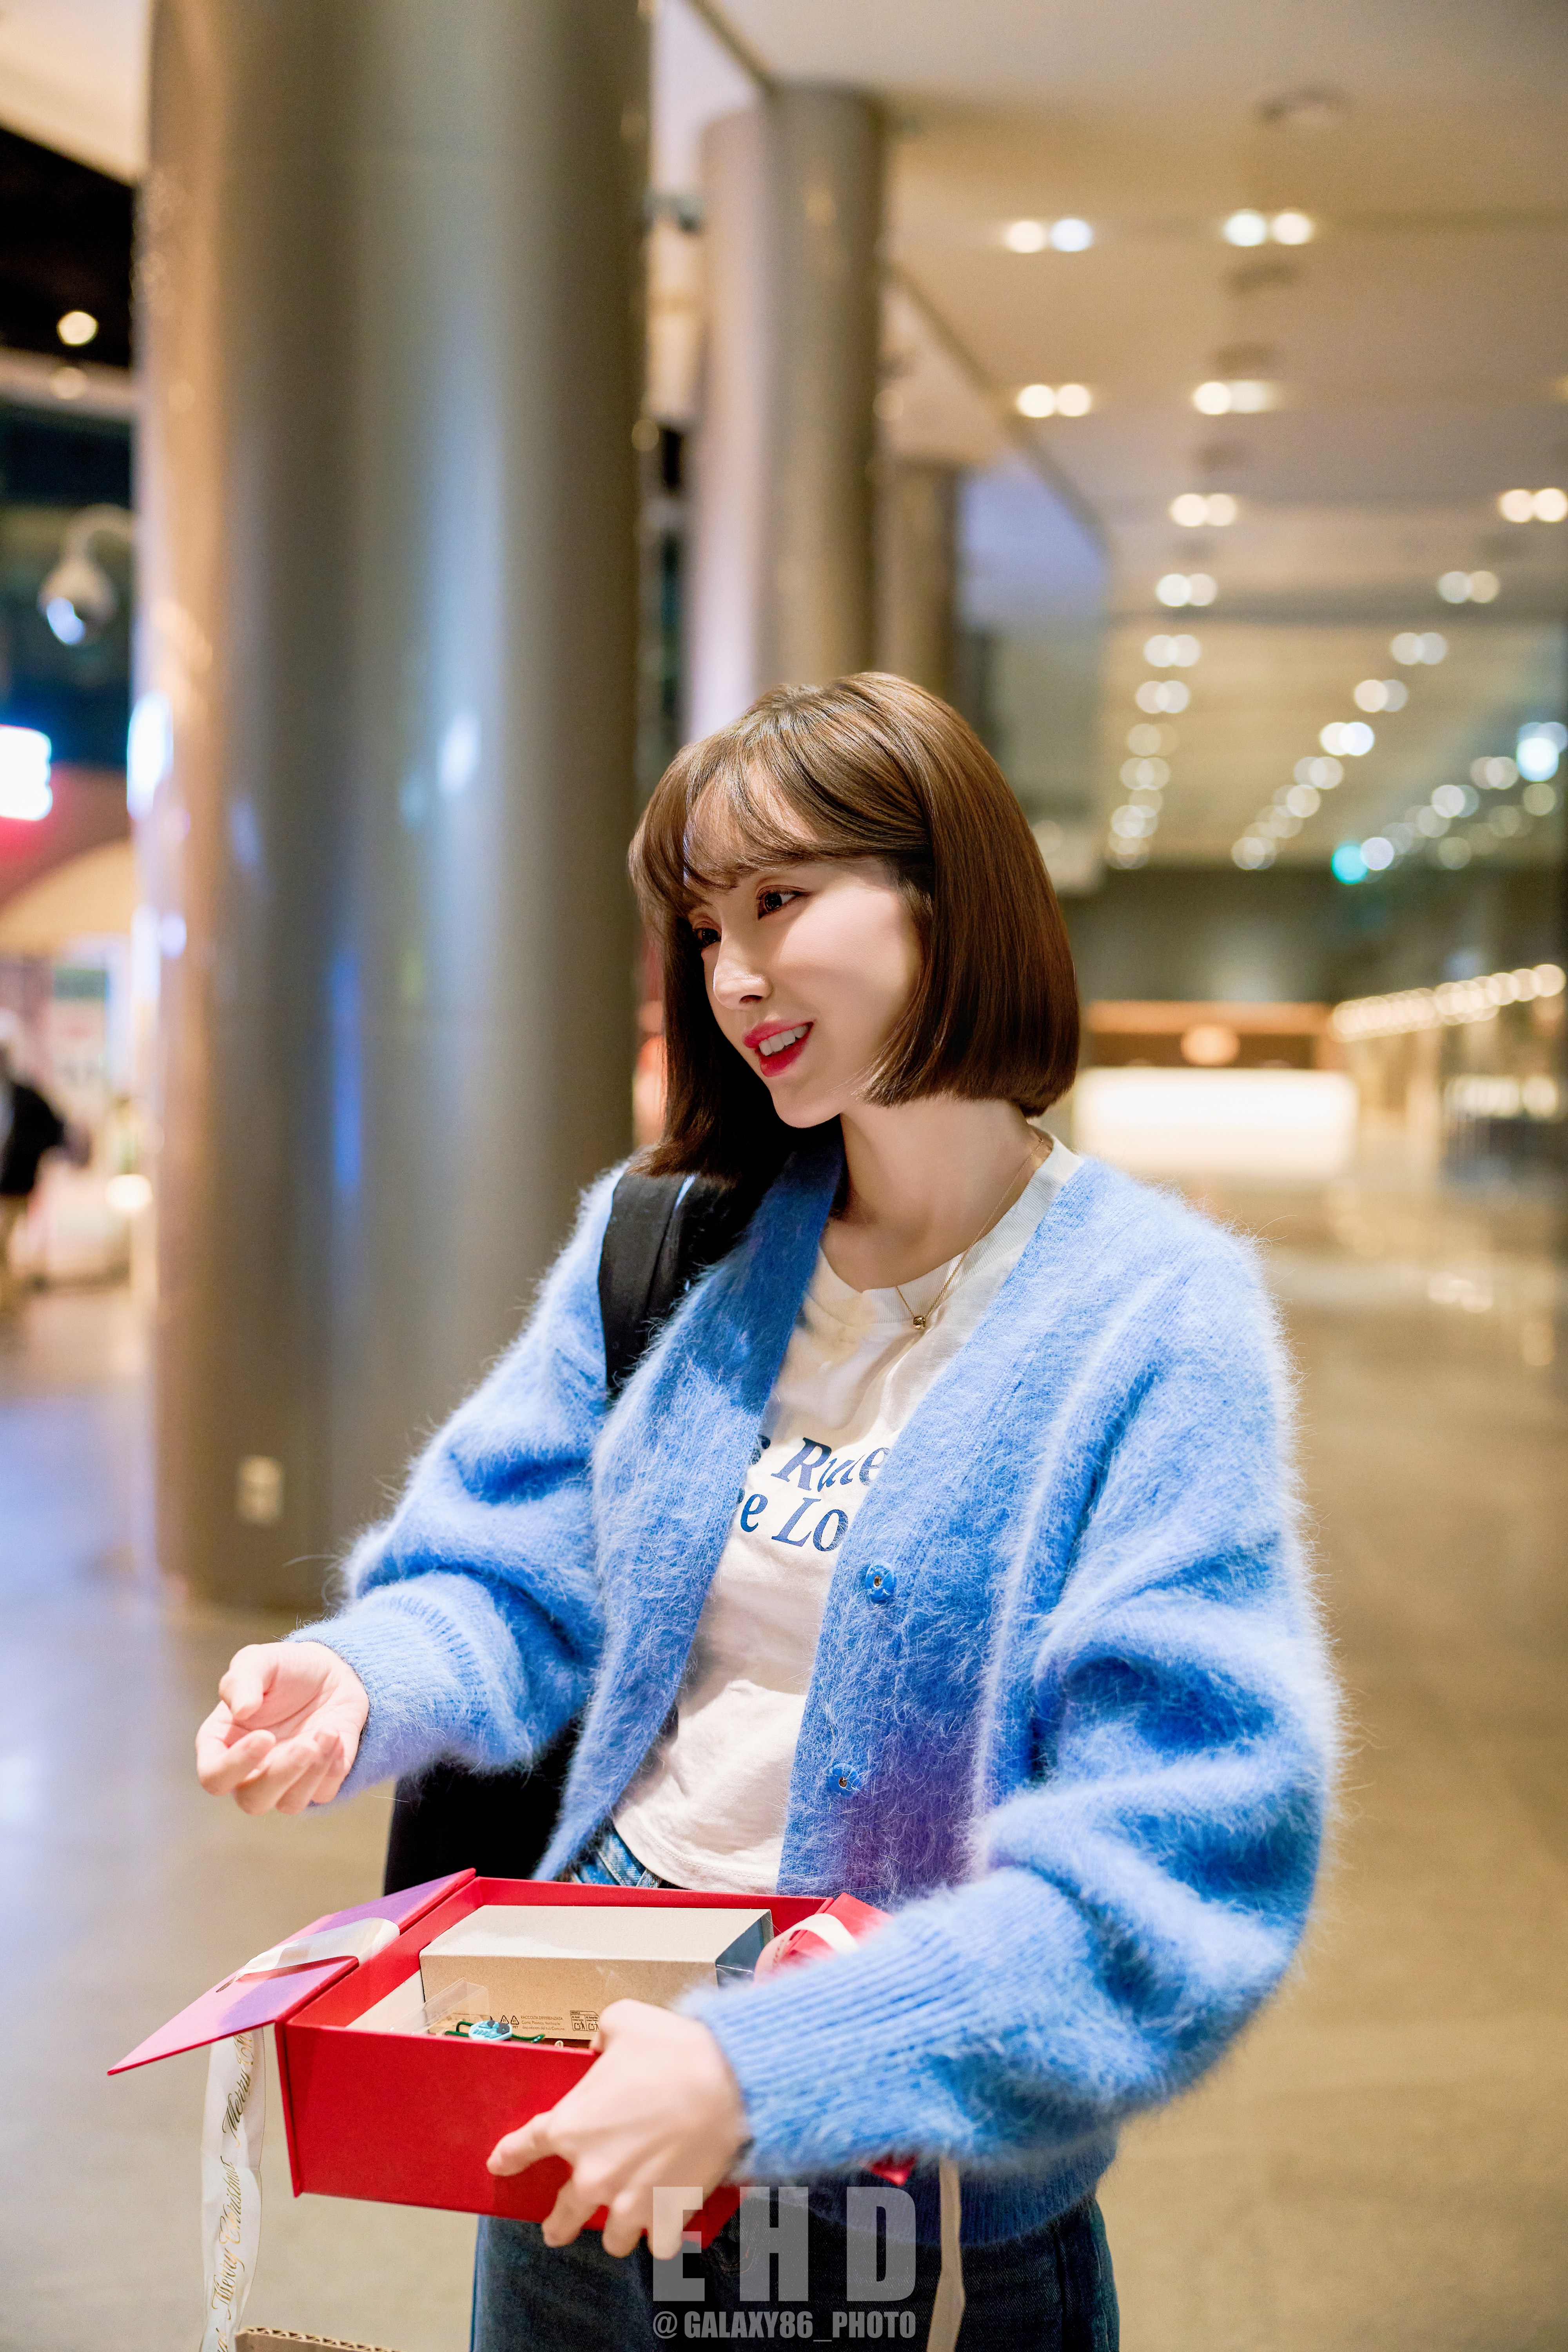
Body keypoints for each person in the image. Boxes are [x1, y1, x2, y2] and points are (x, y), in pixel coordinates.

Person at [196, 675, 1336, 2351]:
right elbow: (509, 1573)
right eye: (703, 924)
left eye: (780, 899)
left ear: (944, 898)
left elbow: (1178, 1851)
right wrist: (367, 1676)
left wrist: (764, 2068)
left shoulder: (1153, 1317)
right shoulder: (680, 1243)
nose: (731, 973)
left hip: (905, 2185)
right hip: (582, 2102)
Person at [0, 1014, 78, 1315]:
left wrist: (32, 1154)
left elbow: (54, 1129)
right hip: (13, 1182)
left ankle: (9, 1303)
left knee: (5, 1243)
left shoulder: (26, 1097)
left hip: (15, 1185)